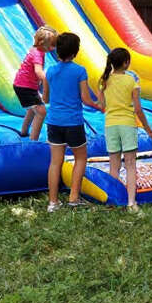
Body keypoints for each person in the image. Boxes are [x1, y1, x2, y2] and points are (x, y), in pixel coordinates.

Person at [42, 32, 101, 212]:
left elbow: (46, 97)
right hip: (73, 122)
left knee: (55, 162)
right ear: (75, 52)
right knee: (81, 157)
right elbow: (85, 99)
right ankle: (74, 197)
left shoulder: (50, 71)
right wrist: (99, 106)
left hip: (54, 121)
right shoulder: (79, 71)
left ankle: (53, 202)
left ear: (58, 51)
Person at [97, 47, 152, 211]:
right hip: (128, 124)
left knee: (113, 165)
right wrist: (148, 129)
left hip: (110, 124)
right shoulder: (131, 81)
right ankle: (131, 202)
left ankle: (113, 200)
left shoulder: (105, 81)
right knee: (130, 164)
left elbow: (102, 106)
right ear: (126, 63)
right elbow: (138, 109)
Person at [15, 25, 56, 140]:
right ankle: (34, 141)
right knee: (41, 112)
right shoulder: (37, 54)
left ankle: (23, 132)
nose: (54, 48)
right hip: (25, 87)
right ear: (43, 43)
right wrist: (46, 79)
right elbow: (38, 71)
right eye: (52, 45)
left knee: (32, 109)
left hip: (25, 85)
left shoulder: (37, 51)